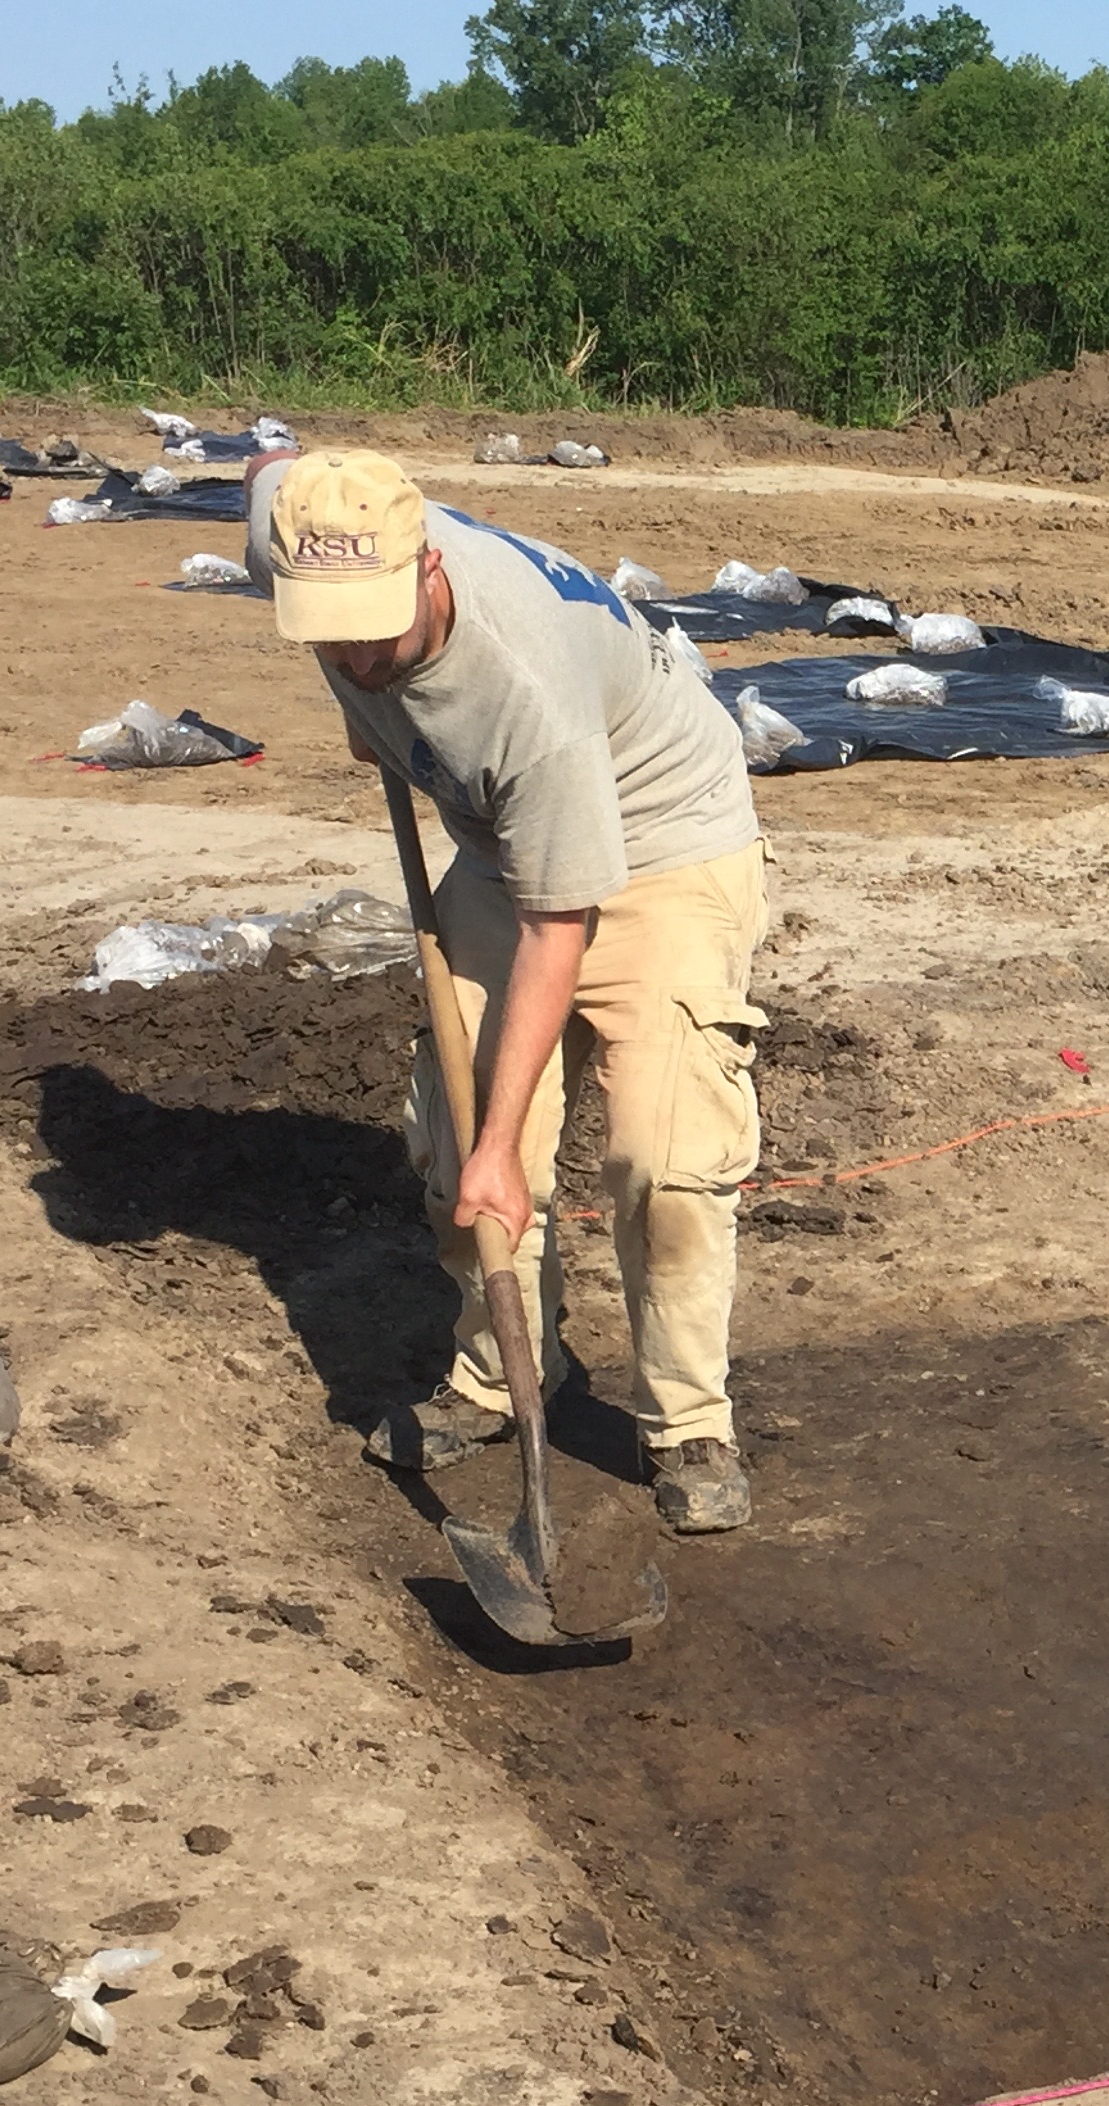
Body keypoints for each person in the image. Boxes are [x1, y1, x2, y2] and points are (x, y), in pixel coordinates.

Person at [244, 446, 761, 1533]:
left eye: (372, 622)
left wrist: (505, 1142)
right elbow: (273, 469)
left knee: (663, 1160)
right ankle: (500, 1375)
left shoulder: (524, 688)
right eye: (324, 624)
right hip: (501, 845)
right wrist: (483, 1149)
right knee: (456, 1149)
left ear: (429, 569)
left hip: (662, 839)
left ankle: (688, 1422)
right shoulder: (294, 526)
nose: (349, 649)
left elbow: (555, 924)